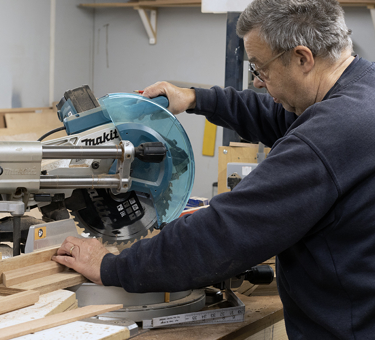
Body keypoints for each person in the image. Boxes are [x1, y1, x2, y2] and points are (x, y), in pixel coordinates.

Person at [53, 0, 375, 338]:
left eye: (261, 69)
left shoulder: (331, 134)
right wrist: (195, 99)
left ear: (302, 58)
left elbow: (227, 232)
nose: (261, 82)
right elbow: (278, 114)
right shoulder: (360, 92)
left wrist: (111, 265)